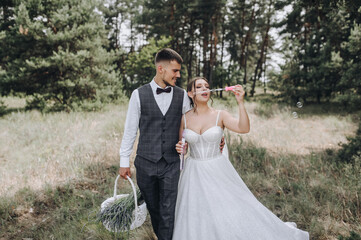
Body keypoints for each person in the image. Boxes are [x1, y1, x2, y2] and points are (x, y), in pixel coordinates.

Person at [173, 77, 309, 240]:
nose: (205, 89)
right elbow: (183, 145)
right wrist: (181, 148)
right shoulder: (184, 118)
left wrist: (240, 102)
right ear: (190, 93)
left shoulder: (220, 115)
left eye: (207, 86)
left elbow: (243, 128)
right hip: (193, 172)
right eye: (199, 87)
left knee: (228, 208)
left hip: (217, 169)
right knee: (197, 212)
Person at [118, 49, 223, 239]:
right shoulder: (138, 94)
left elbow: (192, 122)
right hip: (145, 163)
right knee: (154, 209)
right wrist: (124, 161)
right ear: (161, 69)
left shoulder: (182, 95)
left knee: (168, 210)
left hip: (172, 164)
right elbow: (130, 130)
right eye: (175, 71)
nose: (179, 75)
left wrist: (214, 135)